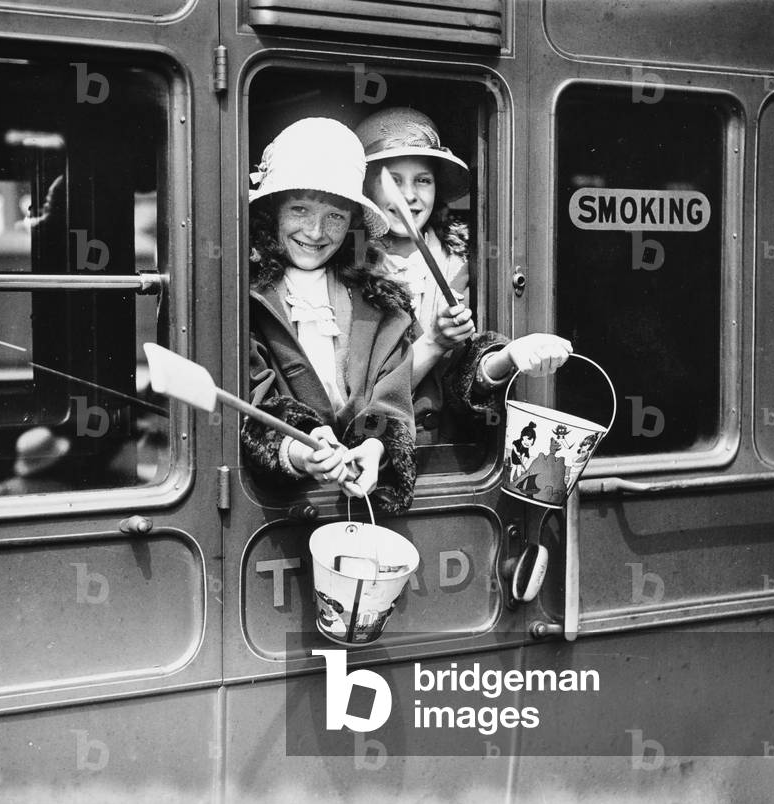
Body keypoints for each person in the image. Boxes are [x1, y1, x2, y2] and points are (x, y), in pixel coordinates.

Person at [355, 108, 572, 443]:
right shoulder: (346, 274)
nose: (409, 196)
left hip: (446, 460)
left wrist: (506, 358)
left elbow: (463, 380)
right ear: (367, 188)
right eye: (393, 180)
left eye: (422, 180)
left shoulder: (464, 267)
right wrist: (434, 343)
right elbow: (358, 398)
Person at [240, 117, 417, 513]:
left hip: (360, 501)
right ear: (273, 211)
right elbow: (249, 399)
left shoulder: (382, 301)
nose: (316, 232)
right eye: (300, 209)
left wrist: (374, 447)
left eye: (335, 215)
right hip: (277, 510)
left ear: (352, 220)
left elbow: (394, 393)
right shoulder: (242, 296)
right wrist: (301, 448)